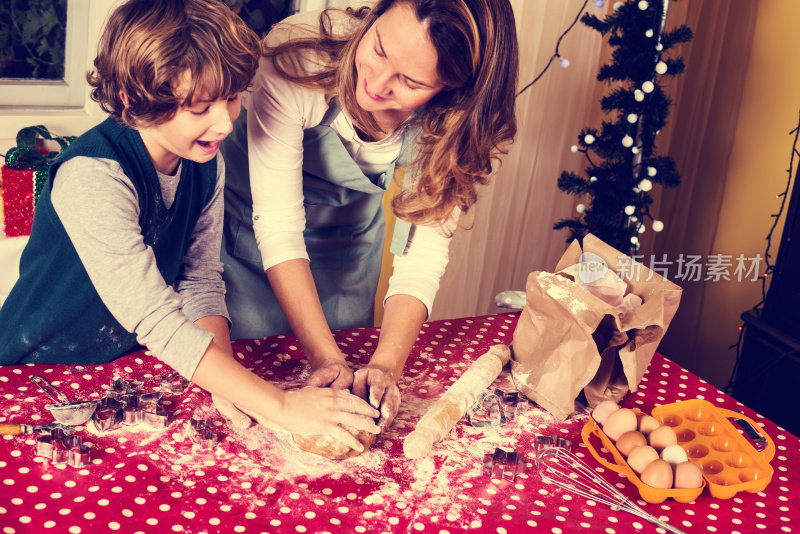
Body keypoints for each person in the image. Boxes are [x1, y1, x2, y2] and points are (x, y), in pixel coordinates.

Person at [0, 0, 379, 452]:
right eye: (200, 108)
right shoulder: (92, 177)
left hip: (124, 375)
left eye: (232, 98)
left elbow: (198, 279)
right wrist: (280, 405)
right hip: (38, 378)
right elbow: (155, 315)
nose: (225, 122)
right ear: (133, 100)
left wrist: (225, 379)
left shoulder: (205, 162)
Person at [217, 0, 518, 432]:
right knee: (253, 406)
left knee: (346, 399)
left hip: (349, 253)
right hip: (251, 247)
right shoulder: (297, 58)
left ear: (453, 90)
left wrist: (386, 368)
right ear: (376, 15)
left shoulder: (455, 124)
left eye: (410, 81)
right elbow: (279, 228)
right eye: (378, 49)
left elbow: (421, 258)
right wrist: (324, 357)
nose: (375, 84)